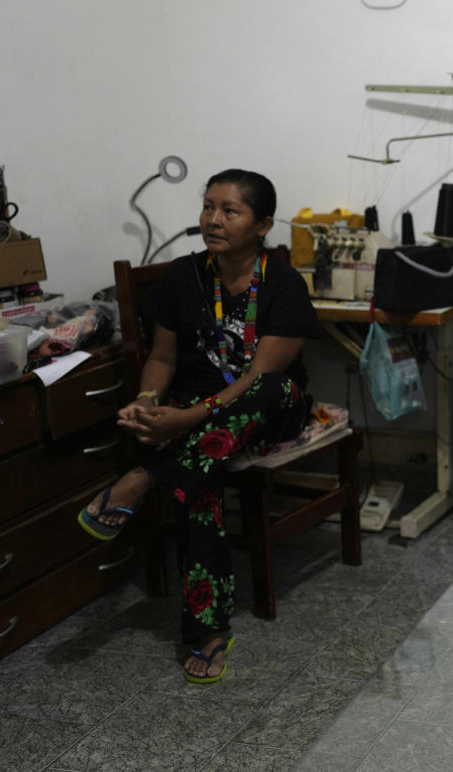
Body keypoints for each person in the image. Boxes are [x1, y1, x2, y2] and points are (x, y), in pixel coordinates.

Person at [77, 169, 318, 683]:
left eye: (230, 211)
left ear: (263, 224)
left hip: (267, 408)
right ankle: (209, 633)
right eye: (208, 206)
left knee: (268, 389)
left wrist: (182, 420)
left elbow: (260, 376)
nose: (213, 219)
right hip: (196, 417)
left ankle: (143, 478)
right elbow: (162, 359)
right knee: (198, 479)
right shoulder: (182, 277)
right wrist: (146, 402)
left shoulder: (284, 284)